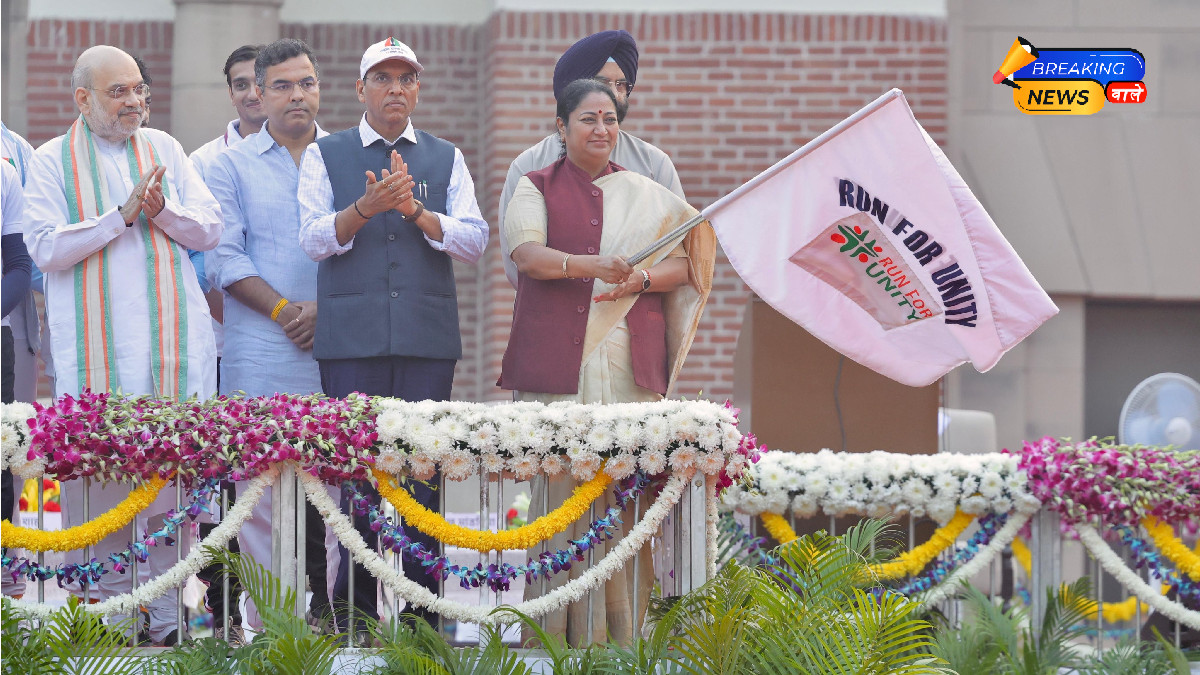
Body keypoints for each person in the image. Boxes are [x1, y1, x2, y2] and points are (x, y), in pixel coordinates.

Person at [499, 78, 715, 646]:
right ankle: (552, 639)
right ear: (562, 128)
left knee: (624, 494)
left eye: (610, 120)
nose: (601, 130)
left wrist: (640, 279)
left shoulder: (646, 194)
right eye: (589, 119)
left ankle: (625, 640)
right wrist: (588, 266)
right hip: (561, 371)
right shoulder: (534, 184)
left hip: (627, 365)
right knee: (559, 498)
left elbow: (687, 263)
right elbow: (528, 256)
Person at [23, 45, 221, 646]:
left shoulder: (166, 149)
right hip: (97, 359)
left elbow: (209, 227)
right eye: (119, 91)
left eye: (140, 89)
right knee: (99, 484)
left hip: (171, 351)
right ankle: (106, 623)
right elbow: (45, 248)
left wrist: (161, 213)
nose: (135, 101)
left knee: (168, 487)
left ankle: (165, 620)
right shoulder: (52, 160)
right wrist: (120, 215)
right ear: (82, 99)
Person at [298, 36, 488, 634]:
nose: (396, 88)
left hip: (426, 341)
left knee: (421, 478)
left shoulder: (445, 156)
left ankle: (424, 615)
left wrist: (415, 212)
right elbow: (312, 239)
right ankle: (354, 611)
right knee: (355, 479)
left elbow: (476, 240)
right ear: (360, 90)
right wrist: (366, 207)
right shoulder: (324, 155)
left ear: (418, 90)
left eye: (406, 78)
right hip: (350, 342)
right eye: (383, 78)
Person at [204, 37, 337, 637]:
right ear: (258, 92)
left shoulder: (342, 157)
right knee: (254, 495)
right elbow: (223, 260)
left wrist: (325, 314)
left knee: (333, 492)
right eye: (281, 85)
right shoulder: (226, 165)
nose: (296, 95)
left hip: (336, 350)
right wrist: (288, 311)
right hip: (258, 349)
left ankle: (331, 621)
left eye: (305, 82)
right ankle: (269, 625)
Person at [498, 29, 684, 288]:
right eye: (603, 83)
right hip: (556, 313)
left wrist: (638, 281)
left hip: (634, 313)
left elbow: (680, 256)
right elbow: (517, 261)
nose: (615, 94)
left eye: (621, 85)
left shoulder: (653, 164)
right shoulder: (530, 166)